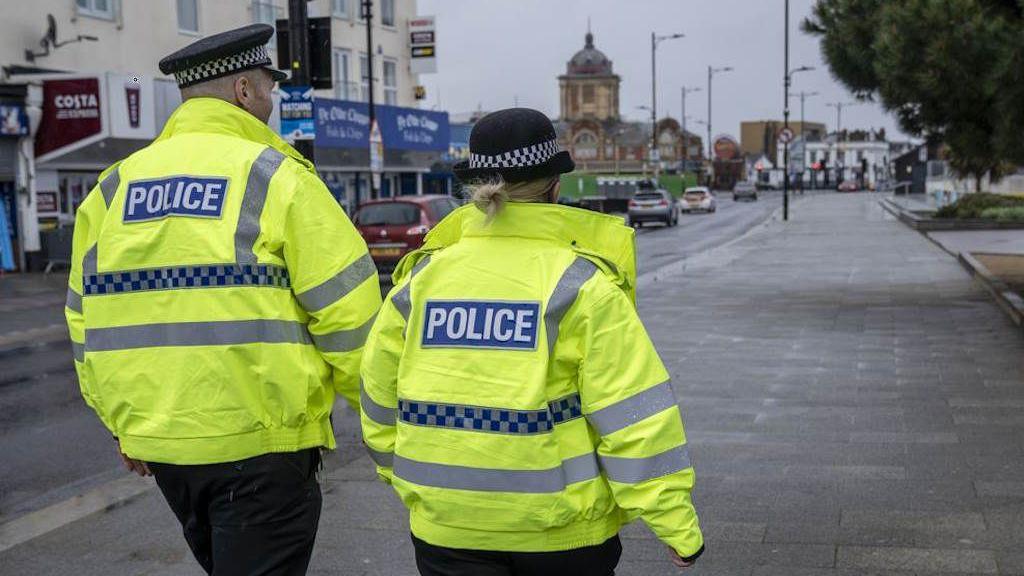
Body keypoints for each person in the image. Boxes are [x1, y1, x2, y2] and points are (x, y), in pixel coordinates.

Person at [64, 24, 381, 575]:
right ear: (243, 91)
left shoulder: (113, 188)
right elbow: (349, 315)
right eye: (268, 88)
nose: (273, 100)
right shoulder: (277, 177)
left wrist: (122, 426)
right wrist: (387, 428)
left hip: (165, 450)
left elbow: (84, 320)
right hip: (263, 445)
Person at [360, 108, 703, 575]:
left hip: (448, 530)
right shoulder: (581, 285)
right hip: (561, 535)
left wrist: (404, 478)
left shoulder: (419, 283)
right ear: (554, 188)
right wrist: (675, 525)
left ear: (475, 192)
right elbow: (633, 416)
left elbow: (378, 399)